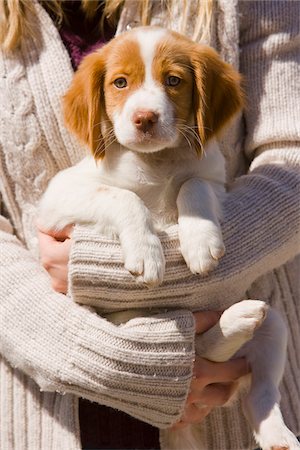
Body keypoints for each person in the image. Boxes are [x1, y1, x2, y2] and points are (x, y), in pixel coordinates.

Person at [0, 1, 299, 449]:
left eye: (172, 82)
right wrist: (108, 362)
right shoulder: (106, 167)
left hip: (224, 389)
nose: (146, 108)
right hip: (53, 403)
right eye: (122, 83)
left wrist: (162, 260)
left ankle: (264, 407)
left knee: (266, 326)